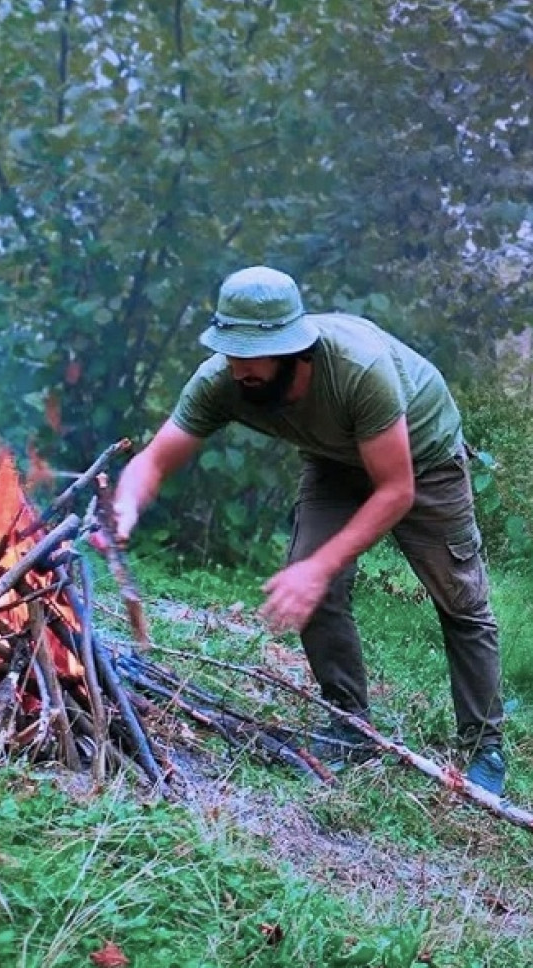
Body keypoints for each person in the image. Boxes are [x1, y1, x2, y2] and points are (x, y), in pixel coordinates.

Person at [111, 265, 507, 794]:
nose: (240, 370)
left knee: (461, 602)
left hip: (424, 457)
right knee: (311, 585)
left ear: (294, 350)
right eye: (231, 352)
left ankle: (485, 748)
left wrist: (320, 567)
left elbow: (396, 491)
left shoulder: (359, 370)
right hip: (334, 460)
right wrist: (125, 506)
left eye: (253, 357)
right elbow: (155, 460)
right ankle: (350, 725)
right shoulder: (220, 380)